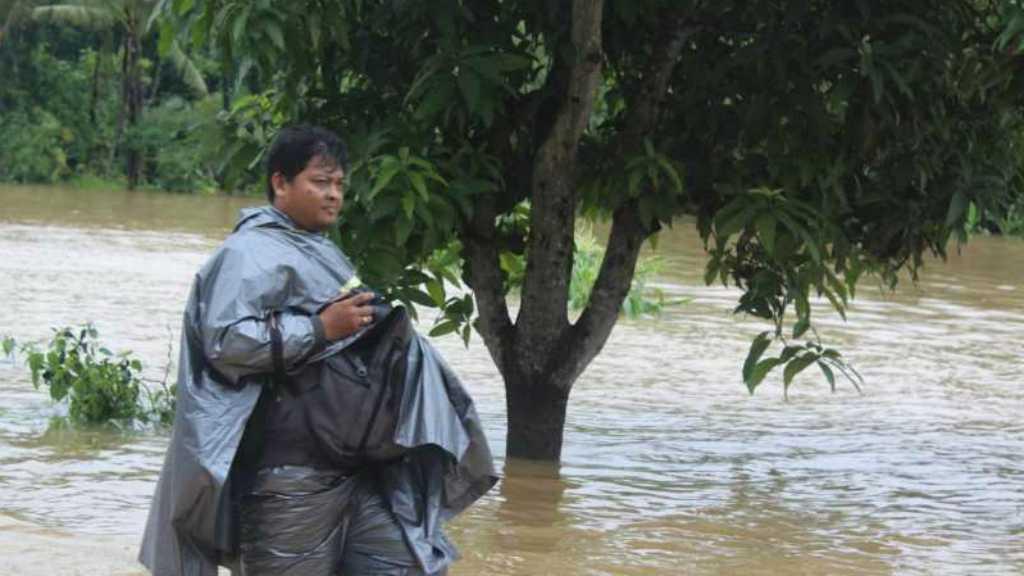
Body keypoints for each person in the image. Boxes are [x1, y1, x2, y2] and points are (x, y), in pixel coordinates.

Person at [139, 125, 496, 576]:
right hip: (288, 475)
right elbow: (226, 342)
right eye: (320, 182)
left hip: (359, 471)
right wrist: (319, 328)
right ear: (280, 183)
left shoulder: (321, 253)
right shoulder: (248, 253)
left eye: (340, 184)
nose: (333, 195)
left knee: (416, 565)